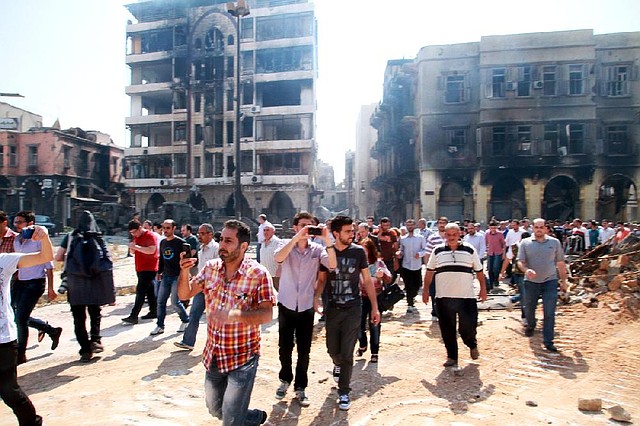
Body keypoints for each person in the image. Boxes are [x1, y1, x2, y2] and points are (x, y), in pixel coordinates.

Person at [177, 219, 274, 425]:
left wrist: (235, 315)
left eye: (228, 241)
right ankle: (253, 417)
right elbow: (185, 293)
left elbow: (266, 315)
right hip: (215, 355)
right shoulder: (210, 268)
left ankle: (238, 416)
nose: (222, 244)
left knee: (230, 419)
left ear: (244, 246)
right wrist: (184, 271)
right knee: (215, 408)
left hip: (243, 358)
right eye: (221, 239)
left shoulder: (258, 274)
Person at [314, 215, 381, 411]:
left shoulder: (359, 252)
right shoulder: (326, 253)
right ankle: (337, 363)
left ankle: (344, 391)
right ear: (336, 233)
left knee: (348, 352)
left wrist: (375, 307)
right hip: (333, 308)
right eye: (348, 231)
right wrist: (316, 297)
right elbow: (322, 280)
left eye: (353, 231)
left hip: (354, 308)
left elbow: (367, 280)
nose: (352, 234)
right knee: (332, 350)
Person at [272, 211, 336, 407]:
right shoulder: (286, 245)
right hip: (286, 303)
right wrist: (295, 239)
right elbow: (278, 258)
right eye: (303, 226)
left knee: (304, 350)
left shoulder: (317, 250)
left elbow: (332, 265)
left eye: (310, 226)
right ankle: (285, 379)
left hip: (306, 305)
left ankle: (301, 387)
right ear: (295, 227)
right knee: (284, 346)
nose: (306, 229)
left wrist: (327, 239)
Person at [1, 224, 53, 426]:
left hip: (3, 340)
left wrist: (44, 237)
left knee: (9, 391)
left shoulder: (4, 261)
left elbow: (43, 257)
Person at [422, 222, 487, 367]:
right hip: (443, 297)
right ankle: (452, 356)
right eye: (448, 235)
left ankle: (471, 344)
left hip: (466, 297)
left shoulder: (469, 250)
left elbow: (479, 271)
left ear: (459, 235)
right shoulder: (437, 251)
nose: (451, 237)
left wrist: (483, 289)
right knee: (447, 328)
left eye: (454, 235)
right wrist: (426, 290)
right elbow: (429, 271)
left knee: (468, 326)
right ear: (444, 235)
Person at [55, 210, 115, 362]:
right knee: (95, 313)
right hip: (94, 282)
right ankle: (95, 339)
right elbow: (107, 263)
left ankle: (85, 350)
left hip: (76, 284)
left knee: (78, 318)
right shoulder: (99, 238)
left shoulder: (70, 237)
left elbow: (58, 257)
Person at [12, 211, 63, 365]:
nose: (17, 225)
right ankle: (50, 330)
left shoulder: (39, 240)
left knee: (20, 318)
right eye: (16, 222)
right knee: (15, 315)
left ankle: (21, 354)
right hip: (20, 282)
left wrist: (51, 289)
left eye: (20, 222)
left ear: (30, 223)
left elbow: (49, 266)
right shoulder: (16, 240)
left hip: (35, 283)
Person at [517, 218, 568, 352]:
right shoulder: (525, 243)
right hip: (531, 282)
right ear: (532, 228)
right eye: (536, 227)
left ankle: (548, 341)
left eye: (541, 227)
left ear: (546, 228)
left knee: (549, 312)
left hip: (550, 281)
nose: (539, 229)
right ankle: (531, 325)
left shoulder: (554, 242)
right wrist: (526, 270)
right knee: (529, 308)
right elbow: (520, 262)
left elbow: (561, 264)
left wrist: (564, 282)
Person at [174, 223, 219, 351]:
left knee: (214, 319)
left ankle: (216, 345)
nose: (200, 236)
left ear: (210, 234)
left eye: (203, 233)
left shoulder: (216, 249)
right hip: (201, 287)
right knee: (194, 314)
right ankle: (188, 341)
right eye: (199, 233)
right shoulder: (201, 250)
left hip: (213, 289)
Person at [151, 219, 190, 336]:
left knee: (174, 302)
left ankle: (186, 320)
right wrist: (159, 272)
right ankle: (160, 325)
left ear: (174, 228)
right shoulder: (163, 243)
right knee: (160, 301)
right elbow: (162, 258)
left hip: (177, 276)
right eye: (164, 228)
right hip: (166, 276)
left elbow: (187, 260)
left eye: (168, 228)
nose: (165, 230)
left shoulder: (180, 243)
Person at [356, 238, 390, 363]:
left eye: (365, 251)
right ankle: (362, 344)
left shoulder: (378, 263)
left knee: (374, 325)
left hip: (375, 297)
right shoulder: (356, 264)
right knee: (358, 325)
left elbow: (389, 278)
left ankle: (375, 352)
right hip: (359, 298)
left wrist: (383, 275)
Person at [122, 220, 159, 324]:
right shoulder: (137, 237)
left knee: (140, 291)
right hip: (140, 267)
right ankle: (154, 310)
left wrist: (137, 247)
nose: (134, 234)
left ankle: (134, 316)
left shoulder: (150, 235)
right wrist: (132, 249)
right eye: (131, 233)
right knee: (150, 290)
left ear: (139, 228)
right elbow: (134, 250)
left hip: (149, 267)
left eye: (134, 232)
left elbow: (152, 250)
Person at [396, 218, 427, 313]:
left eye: (411, 225)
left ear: (414, 226)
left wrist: (420, 254)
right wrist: (399, 253)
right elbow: (401, 249)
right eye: (408, 225)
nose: (410, 227)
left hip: (417, 266)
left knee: (417, 285)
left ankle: (412, 296)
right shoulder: (403, 239)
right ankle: (410, 304)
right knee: (408, 285)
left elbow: (425, 250)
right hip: (406, 265)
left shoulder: (420, 238)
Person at [424, 217, 448, 321]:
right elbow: (427, 254)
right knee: (434, 292)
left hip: (448, 270)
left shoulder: (451, 237)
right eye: (440, 223)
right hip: (435, 269)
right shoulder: (432, 238)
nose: (442, 225)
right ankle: (435, 311)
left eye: (444, 223)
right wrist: (428, 268)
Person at [258, 222, 282, 290]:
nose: (265, 232)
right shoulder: (262, 242)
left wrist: (280, 268)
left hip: (275, 274)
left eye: (267, 230)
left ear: (273, 231)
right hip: (264, 274)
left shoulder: (278, 242)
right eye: (264, 230)